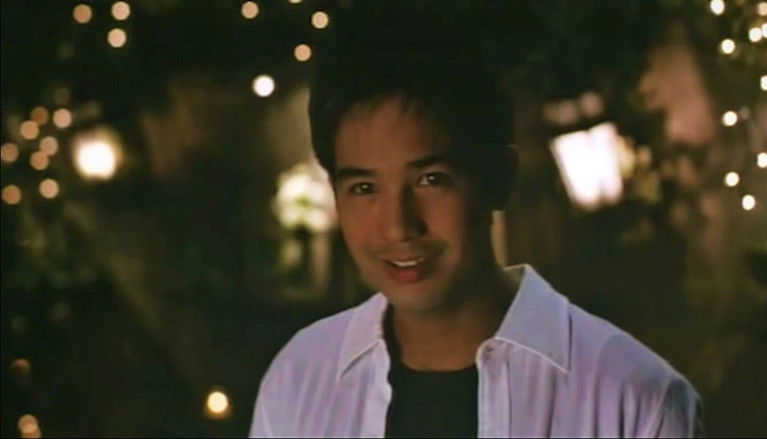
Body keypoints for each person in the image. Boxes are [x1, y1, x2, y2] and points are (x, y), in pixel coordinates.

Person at [250, 5, 702, 438]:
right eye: (365, 188)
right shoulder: (299, 380)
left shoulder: (632, 399)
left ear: (499, 178)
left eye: (431, 180)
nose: (398, 227)